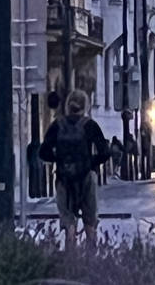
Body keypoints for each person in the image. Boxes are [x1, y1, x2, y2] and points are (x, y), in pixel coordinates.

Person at [39, 90, 110, 247]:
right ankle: (91, 255)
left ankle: (70, 253)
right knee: (90, 221)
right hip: (86, 177)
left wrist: (59, 160)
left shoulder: (57, 125)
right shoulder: (90, 125)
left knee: (68, 221)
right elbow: (105, 153)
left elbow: (43, 152)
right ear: (85, 106)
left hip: (63, 178)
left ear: (68, 105)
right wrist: (90, 163)